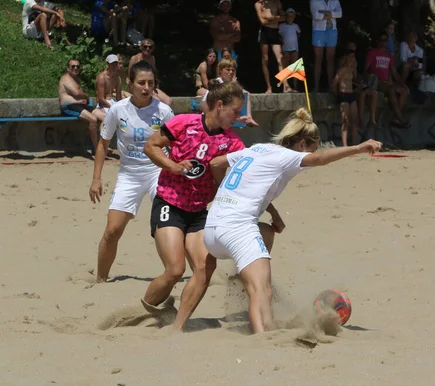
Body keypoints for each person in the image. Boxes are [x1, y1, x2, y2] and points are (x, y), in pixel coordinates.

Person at [203, 108, 382, 334]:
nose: (310, 155)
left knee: (266, 232)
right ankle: (264, 335)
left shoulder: (259, 148)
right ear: (301, 145)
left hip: (211, 230)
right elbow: (318, 160)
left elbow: (217, 163)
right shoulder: (287, 157)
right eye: (312, 149)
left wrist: (271, 212)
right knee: (262, 290)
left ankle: (246, 276)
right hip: (236, 229)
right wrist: (358, 148)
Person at [142, 81, 247, 331]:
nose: (238, 116)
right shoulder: (184, 122)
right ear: (219, 105)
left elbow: (251, 168)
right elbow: (151, 146)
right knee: (175, 269)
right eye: (235, 110)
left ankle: (177, 327)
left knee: (205, 267)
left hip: (198, 211)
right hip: (170, 202)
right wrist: (173, 166)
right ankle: (144, 311)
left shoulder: (232, 141)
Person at [90, 60, 174, 283]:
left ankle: (180, 274)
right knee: (113, 230)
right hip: (129, 174)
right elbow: (103, 143)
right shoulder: (118, 110)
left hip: (159, 172)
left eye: (150, 83)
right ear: (130, 82)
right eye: (141, 83)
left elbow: (178, 145)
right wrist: (96, 179)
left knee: (165, 227)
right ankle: (101, 279)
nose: (146, 87)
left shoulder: (164, 111)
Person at [58, 59, 104, 155]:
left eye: (78, 66)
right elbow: (77, 93)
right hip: (69, 106)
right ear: (67, 68)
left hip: (80, 106)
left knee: (106, 117)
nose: (75, 68)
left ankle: (103, 144)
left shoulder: (76, 79)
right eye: (73, 66)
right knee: (93, 119)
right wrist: (86, 97)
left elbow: (78, 95)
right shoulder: (66, 78)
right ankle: (96, 148)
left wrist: (81, 100)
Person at [255, 0, 289, 93]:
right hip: (264, 32)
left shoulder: (277, 2)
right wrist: (275, 18)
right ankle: (269, 87)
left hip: (274, 31)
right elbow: (263, 21)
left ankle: (286, 85)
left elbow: (284, 17)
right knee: (265, 59)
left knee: (280, 58)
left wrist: (270, 17)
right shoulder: (259, 4)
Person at [128, 39, 173, 105]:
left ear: (153, 49)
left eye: (150, 47)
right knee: (156, 100)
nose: (147, 49)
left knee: (169, 101)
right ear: (141, 47)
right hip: (138, 87)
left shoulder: (152, 59)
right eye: (145, 46)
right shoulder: (134, 58)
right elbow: (129, 77)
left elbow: (154, 75)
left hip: (150, 86)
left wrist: (156, 87)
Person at [310, 0, 342, 92]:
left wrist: (325, 13)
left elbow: (340, 14)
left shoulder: (335, 1)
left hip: (332, 30)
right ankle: (316, 86)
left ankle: (330, 86)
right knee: (318, 58)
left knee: (330, 58)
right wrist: (332, 14)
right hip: (319, 31)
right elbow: (316, 16)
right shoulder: (314, 1)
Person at [332, 49, 359, 146]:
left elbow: (355, 81)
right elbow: (334, 83)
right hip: (343, 94)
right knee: (345, 121)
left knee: (355, 120)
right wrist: (337, 94)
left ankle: (355, 143)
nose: (352, 59)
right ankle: (344, 145)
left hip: (351, 94)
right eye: (351, 57)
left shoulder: (352, 70)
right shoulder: (342, 69)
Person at [279, 8, 301, 92]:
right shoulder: (282, 26)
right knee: (286, 66)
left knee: (295, 66)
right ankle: (286, 85)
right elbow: (279, 35)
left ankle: (295, 86)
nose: (290, 18)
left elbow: (299, 34)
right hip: (286, 48)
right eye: (289, 16)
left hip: (295, 48)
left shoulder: (296, 26)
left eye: (292, 16)